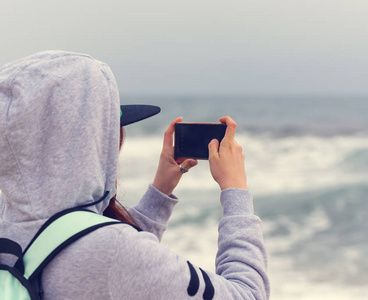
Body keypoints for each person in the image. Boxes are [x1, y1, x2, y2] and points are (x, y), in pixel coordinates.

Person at [0, 51, 270, 299]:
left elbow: (100, 260)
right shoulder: (113, 253)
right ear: (90, 143)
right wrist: (235, 189)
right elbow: (248, 294)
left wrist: (160, 193)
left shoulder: (9, 221)